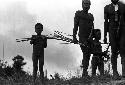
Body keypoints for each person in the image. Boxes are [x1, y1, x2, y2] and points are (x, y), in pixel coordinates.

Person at [104, 0, 125, 79]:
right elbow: (106, 22)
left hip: (122, 30)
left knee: (123, 49)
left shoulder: (123, 6)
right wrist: (105, 35)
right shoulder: (107, 8)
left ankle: (124, 72)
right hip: (112, 31)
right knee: (114, 51)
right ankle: (115, 73)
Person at [73, 0, 94, 77]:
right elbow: (75, 26)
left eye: (88, 4)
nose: (87, 5)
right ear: (82, 4)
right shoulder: (78, 14)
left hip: (90, 38)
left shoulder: (91, 16)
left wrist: (93, 38)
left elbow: (92, 28)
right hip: (82, 38)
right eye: (85, 4)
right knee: (86, 53)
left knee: (88, 55)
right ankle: (84, 72)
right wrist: (74, 37)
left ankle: (85, 72)